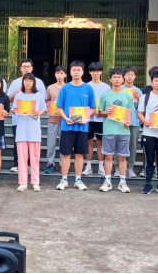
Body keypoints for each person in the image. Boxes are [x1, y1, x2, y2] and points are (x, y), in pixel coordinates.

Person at [56, 61, 97, 192]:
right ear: (70, 72)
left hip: (82, 127)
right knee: (66, 154)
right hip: (67, 126)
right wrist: (65, 118)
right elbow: (59, 106)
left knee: (80, 154)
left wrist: (86, 118)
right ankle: (64, 179)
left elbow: (93, 108)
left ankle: (78, 180)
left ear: (83, 72)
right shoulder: (65, 88)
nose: (76, 72)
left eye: (79, 70)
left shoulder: (88, 88)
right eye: (74, 70)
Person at [97, 68, 135, 193]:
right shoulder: (105, 95)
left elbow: (130, 113)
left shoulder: (127, 95)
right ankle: (107, 181)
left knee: (122, 157)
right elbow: (99, 112)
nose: (117, 79)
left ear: (123, 79)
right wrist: (105, 112)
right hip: (109, 130)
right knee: (108, 156)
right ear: (110, 79)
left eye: (119, 77)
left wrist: (128, 122)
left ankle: (122, 182)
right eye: (114, 77)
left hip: (123, 131)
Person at [8, 59, 47, 173]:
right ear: (20, 68)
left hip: (33, 120)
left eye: (28, 66)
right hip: (19, 119)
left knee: (32, 144)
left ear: (32, 68)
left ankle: (30, 166)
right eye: (24, 66)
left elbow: (43, 100)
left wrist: (39, 111)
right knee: (19, 143)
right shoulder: (15, 83)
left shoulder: (39, 82)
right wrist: (16, 94)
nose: (26, 68)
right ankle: (17, 164)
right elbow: (8, 99)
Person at [13, 74, 47, 192]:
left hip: (34, 131)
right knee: (22, 159)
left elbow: (44, 109)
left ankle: (35, 182)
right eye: (26, 80)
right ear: (23, 82)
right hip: (22, 131)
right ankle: (23, 182)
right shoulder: (18, 96)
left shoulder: (39, 95)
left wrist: (39, 112)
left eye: (30, 81)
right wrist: (15, 110)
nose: (28, 83)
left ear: (34, 82)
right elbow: (14, 109)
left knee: (35, 159)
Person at [83, 62, 111, 177]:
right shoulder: (86, 86)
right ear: (89, 72)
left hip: (101, 119)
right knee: (88, 142)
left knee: (101, 142)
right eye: (93, 71)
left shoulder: (106, 87)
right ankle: (88, 166)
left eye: (98, 71)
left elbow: (108, 102)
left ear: (101, 72)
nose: (96, 73)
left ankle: (101, 167)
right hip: (88, 118)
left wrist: (102, 112)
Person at [116, 65, 143, 179]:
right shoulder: (118, 89)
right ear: (124, 76)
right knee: (119, 144)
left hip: (134, 122)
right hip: (120, 121)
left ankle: (130, 167)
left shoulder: (138, 91)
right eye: (128, 75)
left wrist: (139, 98)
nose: (130, 77)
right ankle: (117, 167)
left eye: (132, 75)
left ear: (135, 76)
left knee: (132, 145)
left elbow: (142, 108)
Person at [45, 66, 67, 174]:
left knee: (64, 143)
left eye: (61, 73)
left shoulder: (68, 87)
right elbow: (47, 101)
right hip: (52, 119)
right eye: (57, 73)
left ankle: (63, 164)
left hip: (65, 120)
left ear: (65, 75)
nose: (59, 75)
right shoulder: (50, 87)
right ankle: (50, 164)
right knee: (51, 143)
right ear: (55, 74)